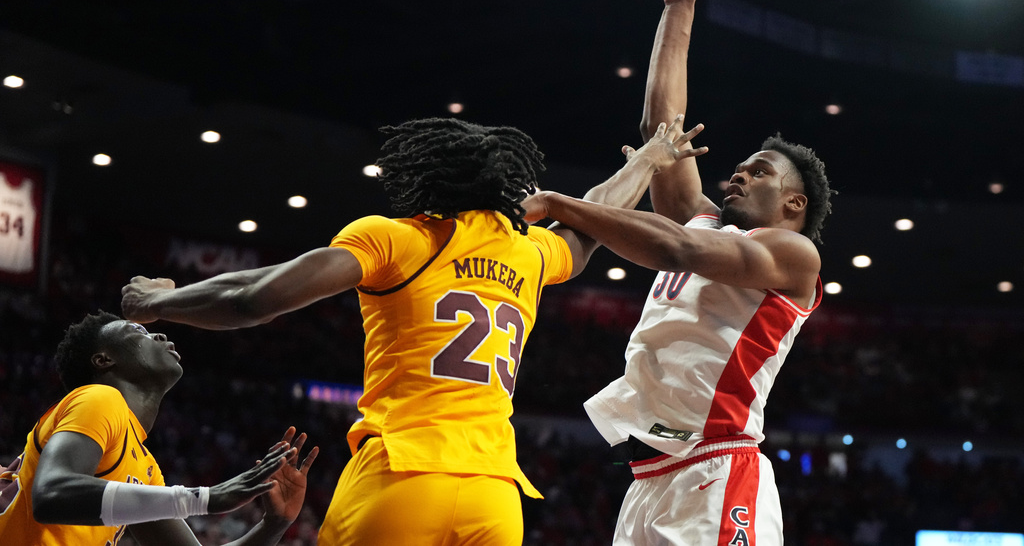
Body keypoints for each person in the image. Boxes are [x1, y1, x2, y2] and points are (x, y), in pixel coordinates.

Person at [119, 116, 707, 546]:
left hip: (403, 473)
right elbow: (587, 229)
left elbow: (254, 299)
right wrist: (646, 162)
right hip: (496, 495)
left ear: (427, 177)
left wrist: (161, 302)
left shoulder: (397, 237)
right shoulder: (526, 252)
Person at [522, 0, 834, 546]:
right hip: (651, 475)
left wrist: (561, 204)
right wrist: (678, 8)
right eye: (739, 167)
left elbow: (676, 251)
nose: (738, 174)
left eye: (759, 171)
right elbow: (661, 132)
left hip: (718, 468)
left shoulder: (794, 257)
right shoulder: (709, 224)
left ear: (794, 204)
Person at [0, 310, 318, 546]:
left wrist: (274, 524)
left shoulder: (146, 467)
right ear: (103, 360)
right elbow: (51, 495)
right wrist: (204, 497)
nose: (161, 336)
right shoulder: (99, 398)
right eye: (138, 331)